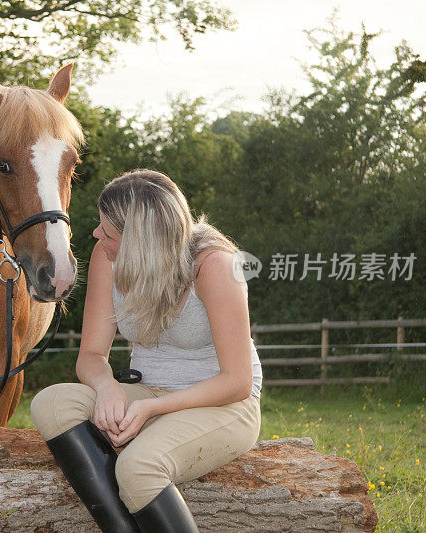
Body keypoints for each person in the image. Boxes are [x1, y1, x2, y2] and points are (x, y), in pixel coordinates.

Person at [30, 169, 263, 532]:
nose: (95, 234)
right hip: (146, 392)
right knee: (52, 403)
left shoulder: (215, 265)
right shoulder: (106, 257)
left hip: (223, 404)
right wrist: (107, 388)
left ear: (141, 241)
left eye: (107, 231)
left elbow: (238, 382)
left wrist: (152, 408)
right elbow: (91, 356)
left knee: (138, 467)